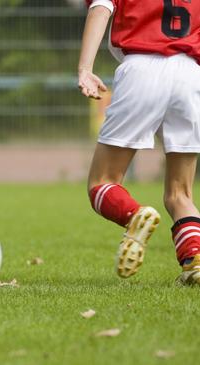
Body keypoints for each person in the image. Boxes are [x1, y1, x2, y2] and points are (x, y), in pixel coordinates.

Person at [79, 0, 200, 284]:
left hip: (142, 67)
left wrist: (85, 67)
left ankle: (136, 215)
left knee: (102, 181)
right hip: (191, 74)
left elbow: (100, 7)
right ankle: (194, 262)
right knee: (180, 194)